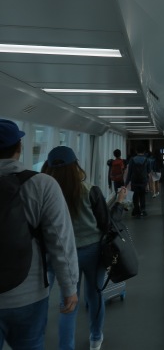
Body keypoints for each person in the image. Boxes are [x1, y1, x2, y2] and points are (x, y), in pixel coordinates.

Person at [0, 119, 79, 350]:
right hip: (29, 295)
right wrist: (69, 288)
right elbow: (60, 241)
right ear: (19, 147)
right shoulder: (43, 184)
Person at [42, 146, 127, 350]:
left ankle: (66, 347)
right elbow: (105, 224)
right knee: (94, 295)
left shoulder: (44, 193)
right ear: (75, 166)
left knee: (67, 303)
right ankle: (95, 339)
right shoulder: (90, 191)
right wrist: (119, 203)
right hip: (92, 251)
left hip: (61, 255)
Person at [126, 144, 151, 218]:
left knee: (135, 196)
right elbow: (148, 172)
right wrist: (148, 183)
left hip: (134, 181)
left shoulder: (132, 159)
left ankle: (136, 210)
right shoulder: (147, 160)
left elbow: (129, 172)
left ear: (136, 151)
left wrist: (126, 183)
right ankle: (143, 210)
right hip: (143, 181)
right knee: (142, 196)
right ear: (144, 151)